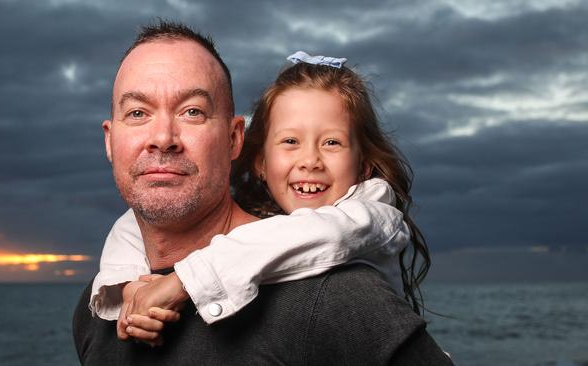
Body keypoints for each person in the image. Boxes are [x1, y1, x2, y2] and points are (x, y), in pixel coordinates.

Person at [73, 20, 452, 365]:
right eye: (138, 113)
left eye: (192, 112)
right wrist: (120, 289)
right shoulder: (96, 307)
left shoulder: (337, 296)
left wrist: (183, 280)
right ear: (110, 140)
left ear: (234, 139)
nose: (161, 139)